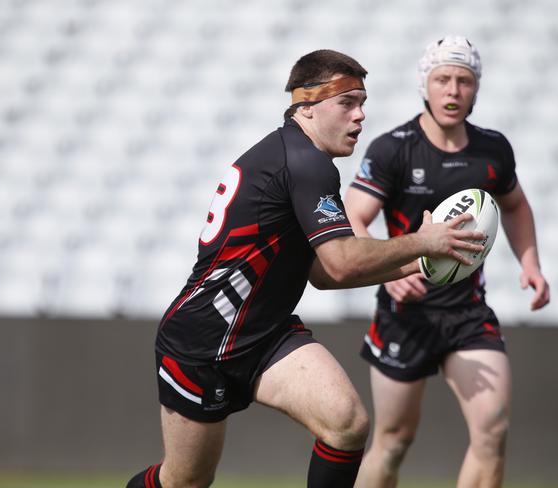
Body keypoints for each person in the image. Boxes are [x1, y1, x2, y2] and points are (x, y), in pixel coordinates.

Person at [126, 49, 486, 488]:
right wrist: (423, 242)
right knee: (185, 481)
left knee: (347, 423)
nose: (360, 116)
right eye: (348, 103)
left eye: (363, 104)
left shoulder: (301, 157)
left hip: (264, 332)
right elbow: (341, 261)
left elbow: (323, 273)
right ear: (308, 107)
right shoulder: (305, 163)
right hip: (203, 341)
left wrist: (421, 261)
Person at [344, 36, 551, 488]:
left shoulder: (492, 150)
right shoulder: (392, 149)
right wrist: (389, 275)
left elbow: (515, 205)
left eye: (464, 80)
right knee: (394, 439)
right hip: (405, 312)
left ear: (476, 89)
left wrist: (530, 263)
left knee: (492, 430)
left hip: (467, 312)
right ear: (426, 84)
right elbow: (354, 219)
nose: (453, 90)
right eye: (443, 79)